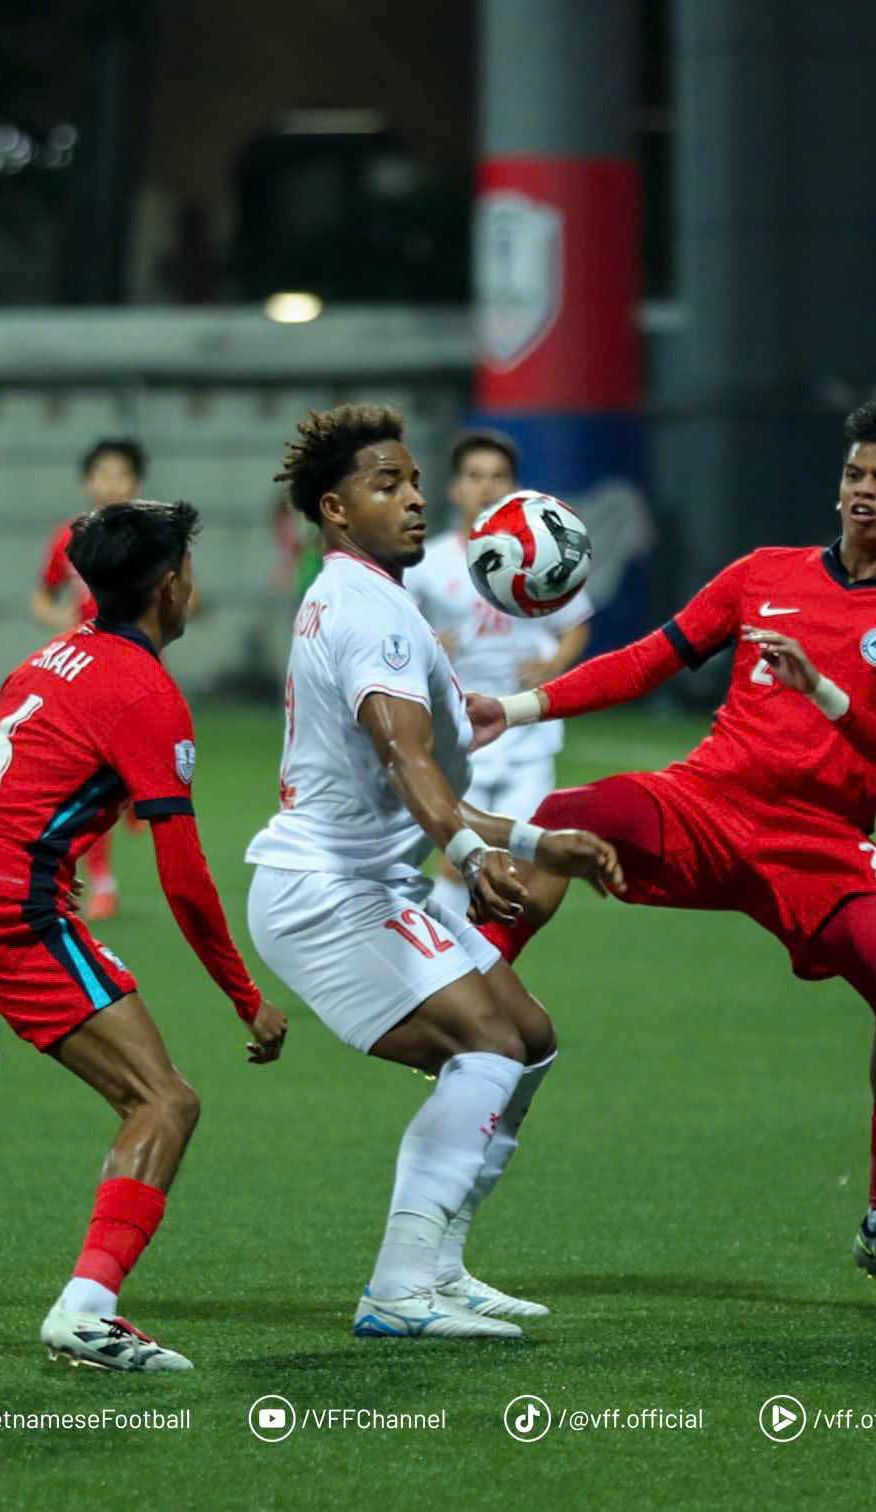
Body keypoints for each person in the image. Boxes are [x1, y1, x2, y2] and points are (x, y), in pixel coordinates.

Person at [466, 396, 876, 1307]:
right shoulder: (763, 574)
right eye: (856, 473)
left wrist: (823, 693)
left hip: (820, 843)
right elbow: (649, 660)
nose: (864, 491)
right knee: (572, 810)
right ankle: (471, 998)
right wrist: (519, 707)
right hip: (707, 801)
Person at [0, 500, 288, 1371]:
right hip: (1, 901)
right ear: (169, 585)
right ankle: (89, 1309)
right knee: (164, 1102)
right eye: (190, 568)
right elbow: (183, 880)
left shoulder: (48, 657)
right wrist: (245, 996)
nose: (196, 585)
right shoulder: (147, 692)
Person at [244, 406, 621, 1340]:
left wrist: (534, 843)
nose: (413, 499)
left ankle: (442, 1271)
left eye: (414, 482)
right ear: (335, 509)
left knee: (528, 1037)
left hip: (370, 883)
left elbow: (424, 773)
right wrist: (470, 852)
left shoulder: (374, 596)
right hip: (326, 895)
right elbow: (403, 755)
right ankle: (398, 1290)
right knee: (486, 1048)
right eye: (388, 485)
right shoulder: (372, 612)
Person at [403, 430, 594, 916]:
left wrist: (554, 663)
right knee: (460, 856)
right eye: (474, 476)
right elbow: (398, 630)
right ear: (454, 489)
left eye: (497, 476)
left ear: (513, 486)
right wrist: (427, 642)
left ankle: (465, 960)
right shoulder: (428, 563)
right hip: (461, 732)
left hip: (527, 737)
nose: (486, 487)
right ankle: (443, 957)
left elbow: (575, 623)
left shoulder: (537, 555)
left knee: (512, 865)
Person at [28, 437, 150, 920]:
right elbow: (41, 596)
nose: (111, 483)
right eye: (103, 474)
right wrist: (62, 623)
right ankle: (102, 882)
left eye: (121, 475)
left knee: (133, 776)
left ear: (136, 484)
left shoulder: (152, 539)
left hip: (137, 671)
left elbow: (188, 600)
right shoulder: (70, 538)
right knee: (84, 778)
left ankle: (135, 793)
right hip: (85, 672)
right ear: (87, 481)